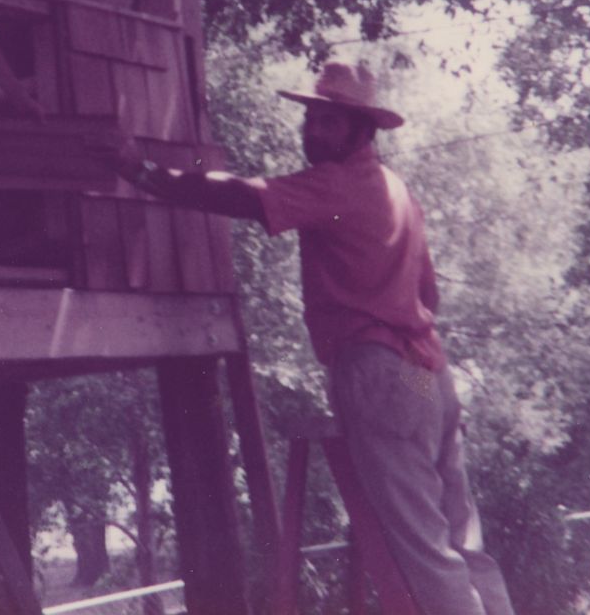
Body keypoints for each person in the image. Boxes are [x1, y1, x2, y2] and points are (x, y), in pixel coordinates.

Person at [93, 61, 516, 615]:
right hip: (427, 375)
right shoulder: (398, 192)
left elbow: (245, 196)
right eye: (312, 119)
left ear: (364, 131)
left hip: (382, 369)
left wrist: (143, 172)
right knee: (462, 542)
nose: (314, 131)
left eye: (330, 122)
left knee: (425, 550)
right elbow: (428, 296)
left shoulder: (339, 184)